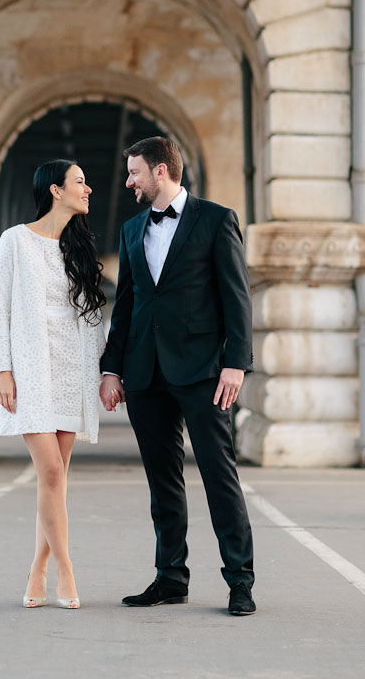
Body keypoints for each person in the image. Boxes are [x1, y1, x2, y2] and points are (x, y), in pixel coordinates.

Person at [99, 136, 256, 616]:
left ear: (161, 171)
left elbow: (237, 297)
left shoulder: (216, 219)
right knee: (162, 482)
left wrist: (236, 362)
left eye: (134, 173)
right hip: (145, 373)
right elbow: (125, 306)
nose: (129, 182)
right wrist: (111, 368)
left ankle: (240, 582)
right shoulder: (131, 230)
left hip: (203, 371)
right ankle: (170, 578)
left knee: (218, 476)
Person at [0, 160, 106, 610]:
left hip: (72, 371)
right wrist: (4, 368)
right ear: (56, 190)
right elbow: (0, 309)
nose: (88, 189)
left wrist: (103, 374)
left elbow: (93, 320)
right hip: (32, 371)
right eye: (80, 182)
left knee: (54, 481)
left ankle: (36, 569)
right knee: (51, 472)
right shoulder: (15, 240)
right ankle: (65, 568)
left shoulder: (78, 247)